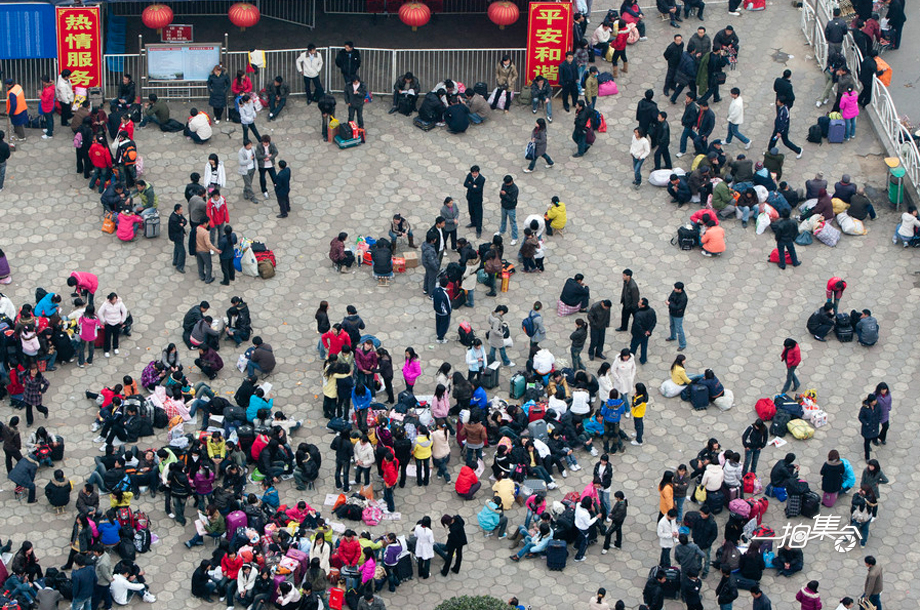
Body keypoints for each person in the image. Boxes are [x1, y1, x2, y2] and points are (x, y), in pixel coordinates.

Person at [629, 298, 656, 365]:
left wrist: (644, 332)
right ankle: (643, 359)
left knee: (633, 346)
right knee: (644, 346)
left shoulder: (638, 314)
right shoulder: (651, 311)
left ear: (643, 305)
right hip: (647, 334)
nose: (638, 303)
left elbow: (637, 326)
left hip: (638, 334)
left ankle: (630, 358)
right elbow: (654, 322)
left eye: (640, 302)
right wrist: (649, 331)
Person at [498, 175, 519, 245]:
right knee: (503, 220)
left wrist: (505, 195)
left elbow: (512, 200)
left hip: (511, 208)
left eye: (507, 183)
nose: (506, 185)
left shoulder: (515, 189)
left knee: (513, 222)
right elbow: (501, 195)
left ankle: (515, 238)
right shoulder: (504, 185)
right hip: (504, 206)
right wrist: (503, 195)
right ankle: (502, 231)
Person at [257, 135, 278, 200]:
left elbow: (276, 152)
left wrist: (270, 158)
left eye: (267, 143)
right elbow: (258, 156)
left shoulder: (272, 145)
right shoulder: (259, 146)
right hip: (262, 165)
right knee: (262, 178)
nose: (265, 144)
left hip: (270, 164)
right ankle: (264, 190)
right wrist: (265, 156)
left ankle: (277, 189)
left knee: (275, 178)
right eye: (264, 142)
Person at [433, 277, 452, 344]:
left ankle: (438, 333)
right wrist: (449, 313)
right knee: (444, 326)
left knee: (438, 323)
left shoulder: (435, 290)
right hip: (444, 313)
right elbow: (448, 305)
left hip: (437, 311)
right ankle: (440, 338)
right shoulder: (445, 295)